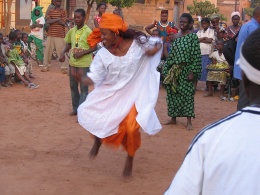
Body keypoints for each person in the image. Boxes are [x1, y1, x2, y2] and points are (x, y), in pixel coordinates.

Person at [164, 28, 260, 195]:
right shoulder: (178, 39)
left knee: (187, 98)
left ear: (243, 77)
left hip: (187, 72)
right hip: (178, 72)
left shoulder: (212, 138)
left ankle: (187, 119)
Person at [73, 13, 162, 177]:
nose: (102, 37)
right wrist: (82, 79)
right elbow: (95, 77)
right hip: (111, 93)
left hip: (134, 93)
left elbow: (155, 47)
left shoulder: (137, 44)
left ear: (115, 32)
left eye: (105, 33)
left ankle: (130, 157)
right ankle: (98, 140)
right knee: (97, 115)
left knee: (131, 127)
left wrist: (153, 51)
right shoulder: (102, 55)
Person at [162, 13, 201, 130]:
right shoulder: (176, 37)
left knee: (187, 94)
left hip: (187, 69)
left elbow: (196, 56)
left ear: (190, 24)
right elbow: (172, 55)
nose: (182, 24)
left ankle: (189, 121)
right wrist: (167, 68)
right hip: (175, 70)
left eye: (185, 22)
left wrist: (192, 72)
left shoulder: (193, 37)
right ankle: (173, 118)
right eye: (181, 22)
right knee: (172, 94)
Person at [59, 9, 95, 116]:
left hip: (84, 64)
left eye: (79, 17)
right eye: (75, 17)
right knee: (73, 88)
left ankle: (81, 112)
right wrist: (62, 53)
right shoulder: (72, 31)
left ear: (84, 18)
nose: (76, 19)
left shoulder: (88, 31)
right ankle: (75, 109)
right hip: (73, 63)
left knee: (84, 89)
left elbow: (94, 47)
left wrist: (82, 53)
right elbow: (69, 43)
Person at [234, 6, 260, 110]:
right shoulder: (254, 28)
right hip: (249, 69)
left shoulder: (247, 25)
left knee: (245, 97)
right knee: (246, 99)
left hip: (243, 68)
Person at [41, 0, 67, 73]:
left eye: (60, 1)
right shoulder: (50, 11)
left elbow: (63, 22)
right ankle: (45, 66)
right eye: (57, 1)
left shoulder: (63, 11)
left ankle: (64, 67)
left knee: (61, 52)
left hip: (60, 34)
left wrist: (53, 20)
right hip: (50, 34)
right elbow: (48, 21)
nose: (58, 2)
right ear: (54, 2)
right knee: (47, 52)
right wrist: (58, 19)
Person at [196, 17, 214, 89]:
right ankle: (195, 86)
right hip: (199, 53)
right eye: (202, 24)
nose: (203, 25)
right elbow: (196, 40)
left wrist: (201, 39)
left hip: (207, 53)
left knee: (207, 70)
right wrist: (204, 38)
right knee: (198, 69)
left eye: (205, 24)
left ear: (208, 24)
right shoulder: (199, 32)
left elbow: (210, 40)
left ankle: (208, 87)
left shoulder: (211, 31)